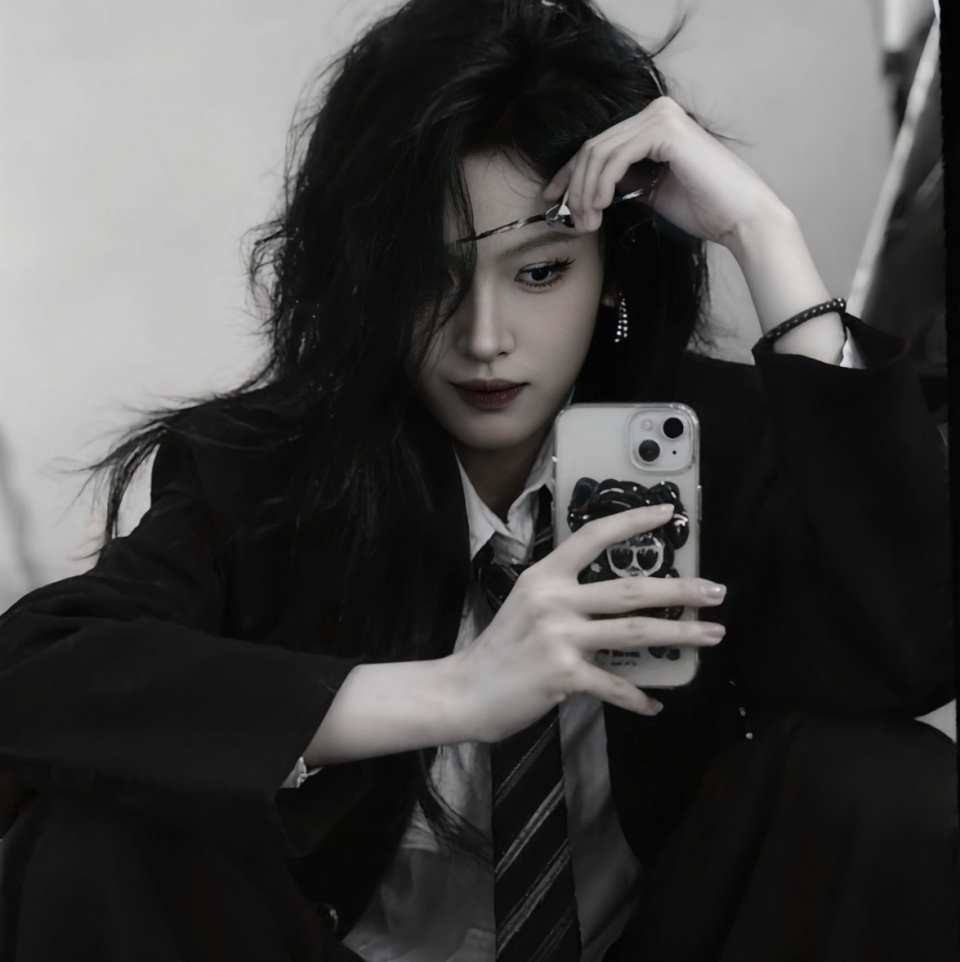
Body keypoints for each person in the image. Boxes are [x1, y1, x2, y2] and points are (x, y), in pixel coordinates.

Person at [0, 1, 955, 960]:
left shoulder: (708, 442)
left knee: (890, 783)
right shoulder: (266, 474)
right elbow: (34, 676)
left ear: (611, 273)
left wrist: (763, 231)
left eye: (540, 273)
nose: (485, 337)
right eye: (431, 278)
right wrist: (458, 690)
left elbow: (909, 653)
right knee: (95, 832)